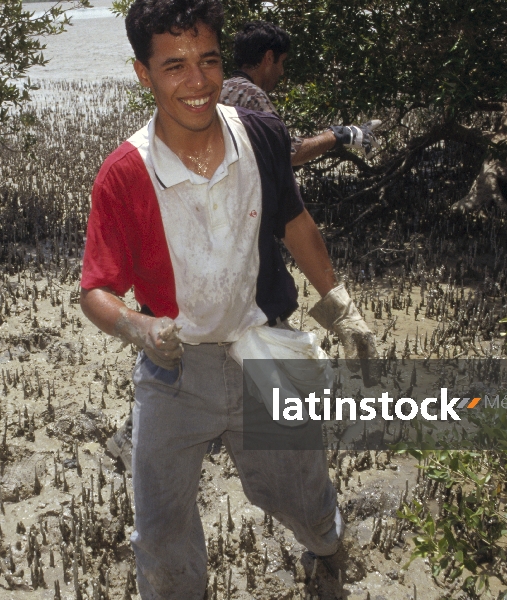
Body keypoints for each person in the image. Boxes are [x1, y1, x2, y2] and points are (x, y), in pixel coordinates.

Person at [79, 0, 374, 596]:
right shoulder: (124, 172)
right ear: (143, 74)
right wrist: (138, 327)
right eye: (174, 66)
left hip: (262, 349)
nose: (197, 82)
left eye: (208, 61)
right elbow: (96, 291)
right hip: (173, 371)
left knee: (296, 492)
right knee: (160, 530)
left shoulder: (260, 136)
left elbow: (296, 224)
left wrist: (340, 304)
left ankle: (327, 544)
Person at [220, 20, 380, 166]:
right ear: (269, 58)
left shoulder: (219, 88)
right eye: (282, 62)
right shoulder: (252, 95)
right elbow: (287, 152)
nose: (282, 71)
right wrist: (341, 135)